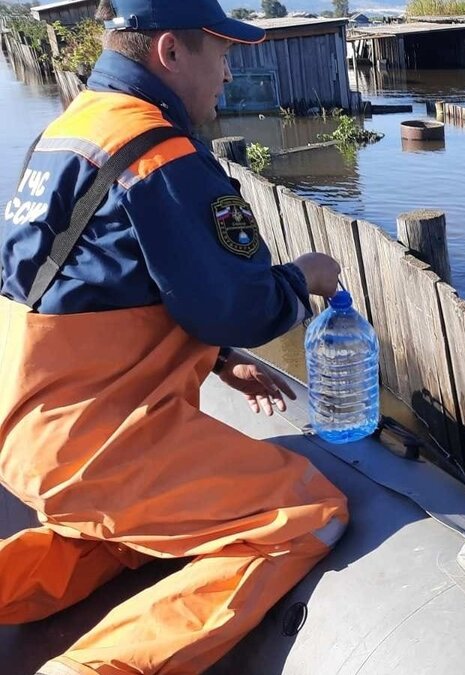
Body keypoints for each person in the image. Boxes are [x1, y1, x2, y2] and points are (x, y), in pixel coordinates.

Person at [0, 1, 350, 673]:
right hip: (97, 442)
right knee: (308, 512)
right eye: (221, 53)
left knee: (126, 534)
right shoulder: (161, 152)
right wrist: (302, 277)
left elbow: (86, 282)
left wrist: (217, 362)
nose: (227, 73)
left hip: (29, 427)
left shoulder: (68, 132)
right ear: (169, 51)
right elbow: (238, 304)